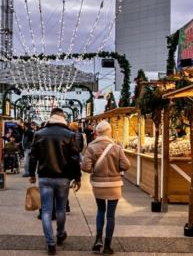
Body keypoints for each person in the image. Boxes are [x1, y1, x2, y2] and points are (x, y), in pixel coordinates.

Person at [29, 108, 82, 255]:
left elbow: (33, 156)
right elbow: (74, 158)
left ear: (51, 117)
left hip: (45, 176)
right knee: (60, 208)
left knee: (46, 210)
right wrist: (77, 177)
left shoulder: (39, 134)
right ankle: (60, 234)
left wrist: (31, 173)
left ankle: (50, 243)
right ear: (62, 117)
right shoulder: (69, 134)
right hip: (63, 177)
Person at [81, 120, 130, 255]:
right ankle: (107, 246)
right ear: (109, 132)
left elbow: (85, 167)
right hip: (114, 185)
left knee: (100, 210)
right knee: (111, 215)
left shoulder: (91, 147)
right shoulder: (116, 147)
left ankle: (98, 240)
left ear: (97, 132)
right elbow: (126, 165)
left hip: (98, 184)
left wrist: (93, 169)